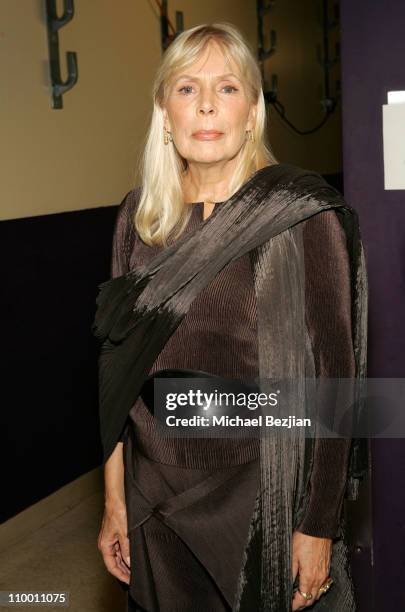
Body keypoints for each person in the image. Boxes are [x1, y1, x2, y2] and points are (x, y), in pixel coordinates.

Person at [94, 22, 368, 612]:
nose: (208, 105)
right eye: (188, 88)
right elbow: (114, 373)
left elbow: (334, 379)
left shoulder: (300, 216)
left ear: (252, 111)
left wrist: (318, 526)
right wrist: (114, 498)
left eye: (228, 87)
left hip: (257, 493)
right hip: (152, 494)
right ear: (165, 113)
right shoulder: (137, 219)